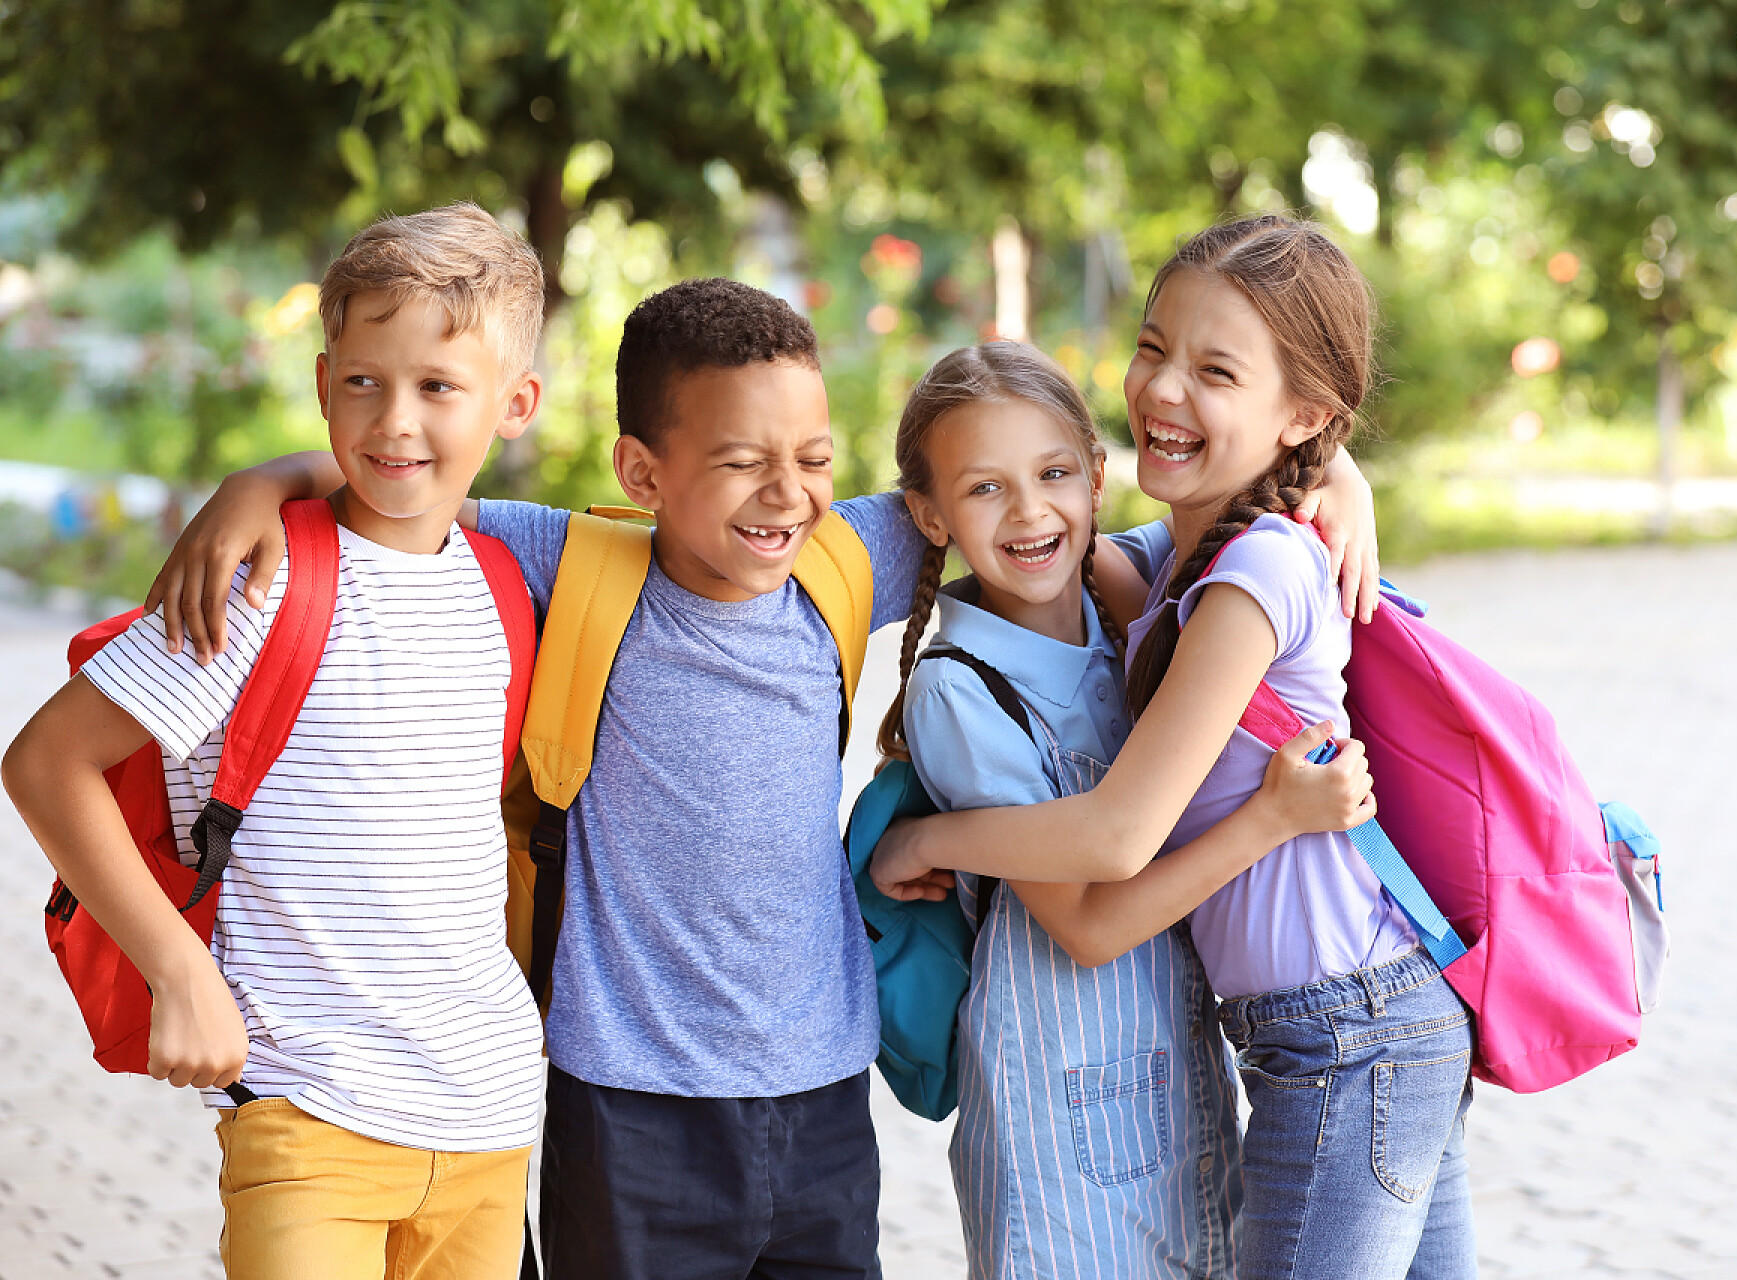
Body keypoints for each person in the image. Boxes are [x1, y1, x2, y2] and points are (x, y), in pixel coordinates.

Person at [147, 276, 1384, 1280]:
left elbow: (1056, 521)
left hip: (820, 1095)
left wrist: (1329, 471)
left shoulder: (847, 545)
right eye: (742, 460)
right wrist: (266, 482)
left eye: (811, 456)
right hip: (628, 1094)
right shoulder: (574, 560)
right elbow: (414, 483)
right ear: (643, 476)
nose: (783, 491)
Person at [873, 216, 1476, 1280]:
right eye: (1153, 349)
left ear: (1302, 413)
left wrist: (929, 834)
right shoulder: (1176, 562)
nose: (1162, 387)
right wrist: (1336, 473)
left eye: (1214, 369)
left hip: (1347, 1031)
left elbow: (1116, 836)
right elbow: (1059, 547)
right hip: (1357, 1022)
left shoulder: (1246, 576)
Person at [3, 202, 550, 1280]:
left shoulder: (504, 584)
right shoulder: (264, 577)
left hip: (488, 1116)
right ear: (322, 383)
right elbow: (42, 762)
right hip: (308, 1113)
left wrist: (272, 469)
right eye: (363, 381)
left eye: (438, 387)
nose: (394, 421)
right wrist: (179, 972)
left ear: (516, 404)